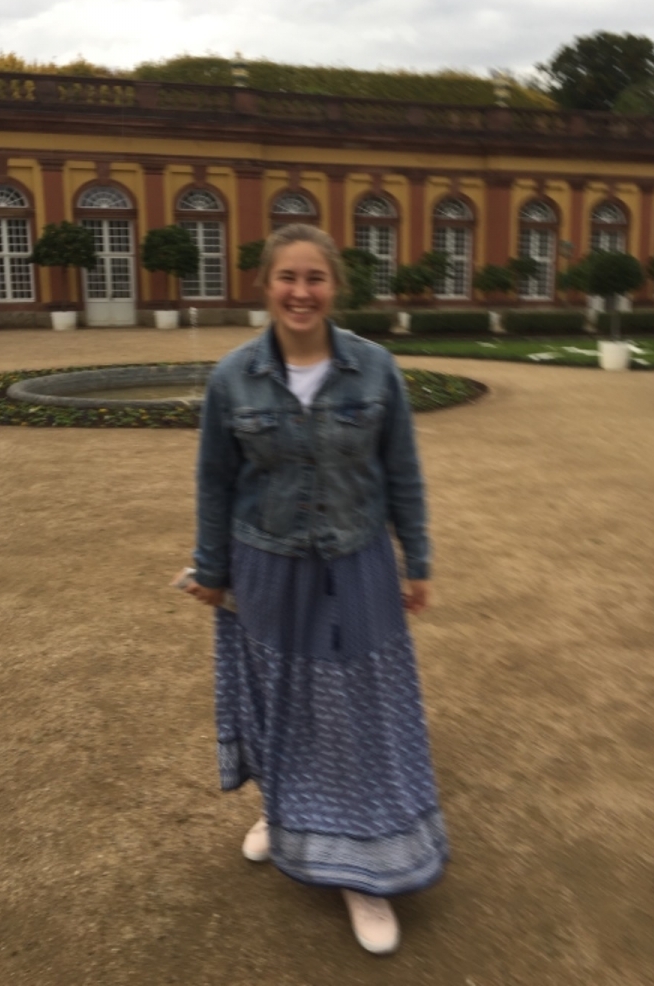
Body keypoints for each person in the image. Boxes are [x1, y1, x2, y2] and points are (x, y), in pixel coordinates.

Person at [185, 223, 448, 955]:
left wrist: (418, 561)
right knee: (279, 698)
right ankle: (284, 812)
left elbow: (403, 473)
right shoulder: (233, 378)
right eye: (287, 278)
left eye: (314, 278)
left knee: (357, 711)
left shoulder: (375, 369)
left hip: (356, 560)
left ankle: (367, 869)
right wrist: (211, 568)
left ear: (335, 286)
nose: (301, 292)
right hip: (265, 560)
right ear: (266, 285)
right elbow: (214, 482)